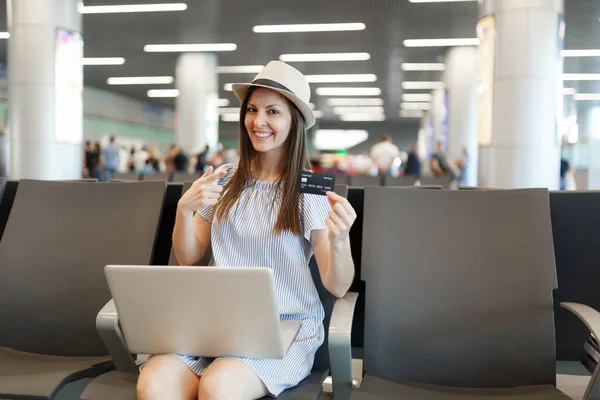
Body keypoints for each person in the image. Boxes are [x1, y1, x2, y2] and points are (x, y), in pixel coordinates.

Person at [137, 61, 357, 399]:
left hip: (284, 326)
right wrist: (184, 210)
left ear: (294, 122)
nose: (258, 121)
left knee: (218, 386)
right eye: (252, 110)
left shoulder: (308, 189)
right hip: (214, 322)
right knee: (154, 383)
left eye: (273, 111)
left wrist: (340, 240)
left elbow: (337, 285)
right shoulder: (224, 177)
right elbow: (189, 256)